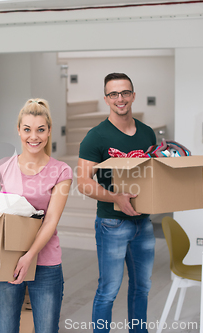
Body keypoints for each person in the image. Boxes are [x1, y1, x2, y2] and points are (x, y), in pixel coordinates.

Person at [76, 73, 157, 332]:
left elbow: (152, 176)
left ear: (133, 95)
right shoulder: (96, 137)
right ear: (106, 99)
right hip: (112, 223)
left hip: (143, 223)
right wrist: (115, 198)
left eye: (124, 93)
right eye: (113, 94)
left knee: (142, 288)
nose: (119, 99)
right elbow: (83, 182)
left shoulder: (147, 134)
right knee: (108, 290)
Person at [0, 98, 73, 333]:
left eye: (40, 130)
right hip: (7, 261)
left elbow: (51, 219)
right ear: (18, 131)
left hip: (45, 263)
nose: (33, 137)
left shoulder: (61, 171)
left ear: (49, 131)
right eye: (27, 130)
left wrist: (29, 255)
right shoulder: (0, 168)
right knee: (5, 330)